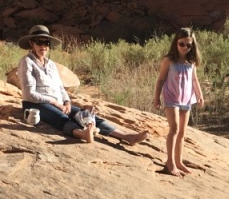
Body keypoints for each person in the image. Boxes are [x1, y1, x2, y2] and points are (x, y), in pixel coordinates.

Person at [17, 25, 148, 145]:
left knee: (85, 115)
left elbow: (60, 88)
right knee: (61, 117)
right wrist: (55, 103)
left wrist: (67, 102)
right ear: (31, 43)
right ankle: (82, 134)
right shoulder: (27, 62)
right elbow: (29, 94)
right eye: (39, 42)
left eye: (46, 42)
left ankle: (126, 136)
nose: (43, 46)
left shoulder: (51, 64)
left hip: (58, 102)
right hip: (36, 103)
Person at [153, 27, 204, 176]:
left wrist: (199, 95)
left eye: (189, 45)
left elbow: (194, 79)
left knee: (182, 132)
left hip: (186, 99)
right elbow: (161, 79)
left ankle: (179, 161)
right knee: (174, 130)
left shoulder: (191, 61)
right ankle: (170, 163)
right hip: (171, 98)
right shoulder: (169, 60)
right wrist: (156, 98)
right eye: (182, 44)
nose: (185, 48)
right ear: (176, 42)